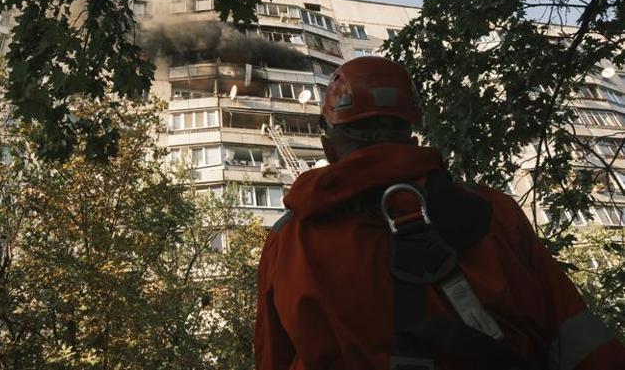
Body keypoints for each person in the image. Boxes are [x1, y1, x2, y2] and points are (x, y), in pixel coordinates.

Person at [254, 56, 625, 370]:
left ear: (328, 147)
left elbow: (273, 359)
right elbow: (579, 339)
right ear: (411, 137)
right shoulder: (494, 211)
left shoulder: (289, 240)